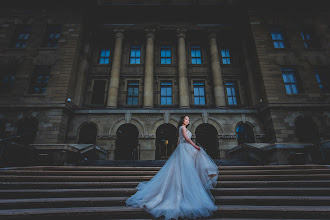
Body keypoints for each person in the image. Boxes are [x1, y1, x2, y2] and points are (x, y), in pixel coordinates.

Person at [126, 115, 219, 220]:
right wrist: (195, 146)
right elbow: (187, 139)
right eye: (186, 119)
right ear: (183, 120)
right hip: (185, 149)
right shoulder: (182, 128)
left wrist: (185, 148)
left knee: (184, 169)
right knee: (186, 167)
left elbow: (179, 141)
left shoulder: (182, 129)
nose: (188, 121)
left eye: (188, 119)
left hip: (183, 150)